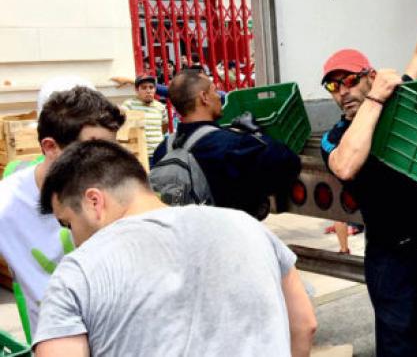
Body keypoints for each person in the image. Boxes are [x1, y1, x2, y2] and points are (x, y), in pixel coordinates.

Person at [33, 140, 317, 357]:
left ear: (94, 202)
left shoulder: (78, 272)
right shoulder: (249, 227)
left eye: (68, 223)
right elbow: (304, 325)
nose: (73, 239)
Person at [320, 0, 417, 356]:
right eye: (332, 86)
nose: (342, 92)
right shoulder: (337, 136)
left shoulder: (398, 106)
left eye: (348, 81)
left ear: (370, 76)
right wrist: (374, 101)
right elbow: (345, 167)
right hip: (390, 261)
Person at [0, 86, 125, 334]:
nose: (105, 160)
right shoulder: (8, 202)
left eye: (111, 148)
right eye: (91, 149)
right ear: (50, 147)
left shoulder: (121, 188)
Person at [150, 68, 300, 219]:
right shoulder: (231, 145)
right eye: (214, 91)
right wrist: (257, 133)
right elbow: (289, 164)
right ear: (204, 97)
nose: (218, 97)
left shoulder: (163, 149)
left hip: (182, 235)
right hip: (226, 237)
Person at [121, 74, 167, 166]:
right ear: (137, 90)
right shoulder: (129, 105)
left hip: (159, 155)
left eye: (151, 87)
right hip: (139, 157)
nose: (148, 91)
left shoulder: (160, 107)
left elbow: (164, 127)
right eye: (144, 88)